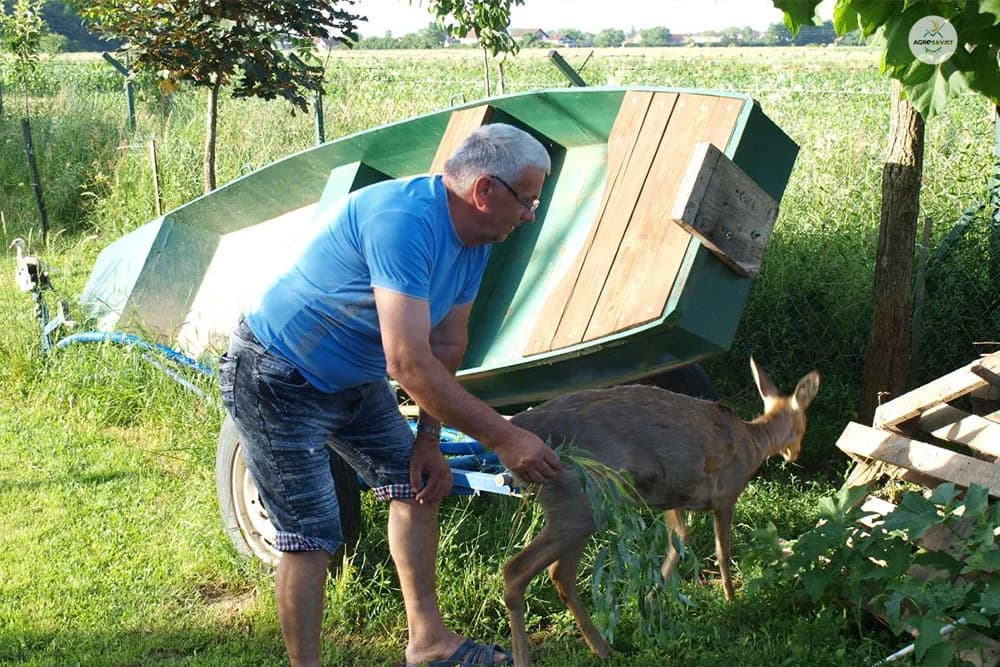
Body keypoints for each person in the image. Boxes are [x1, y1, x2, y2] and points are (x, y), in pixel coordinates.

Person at [218, 122, 563, 667]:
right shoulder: (403, 221)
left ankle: (428, 643)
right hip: (277, 375)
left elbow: (447, 341)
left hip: (355, 379)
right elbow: (407, 361)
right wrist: (504, 436)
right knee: (310, 536)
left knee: (418, 484)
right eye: (528, 200)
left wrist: (429, 440)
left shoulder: (476, 237)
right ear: (485, 191)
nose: (530, 215)